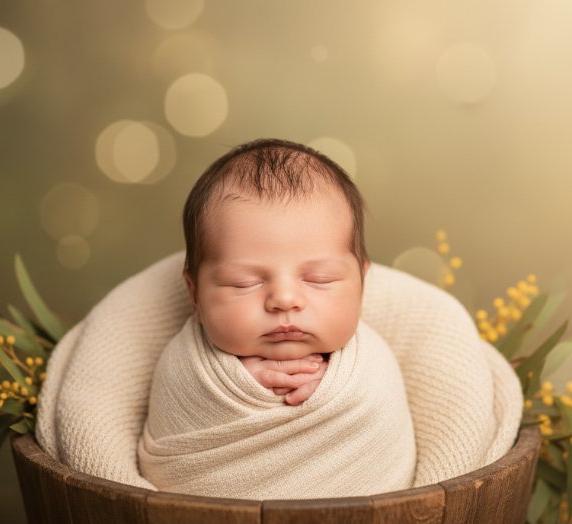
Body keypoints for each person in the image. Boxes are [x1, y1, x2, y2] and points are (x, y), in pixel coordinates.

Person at [136, 138, 417, 498]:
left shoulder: (372, 359)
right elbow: (176, 408)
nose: (285, 299)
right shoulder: (185, 362)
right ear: (195, 295)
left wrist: (336, 392)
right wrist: (235, 387)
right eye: (245, 282)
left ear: (362, 284)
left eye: (320, 279)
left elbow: (381, 410)